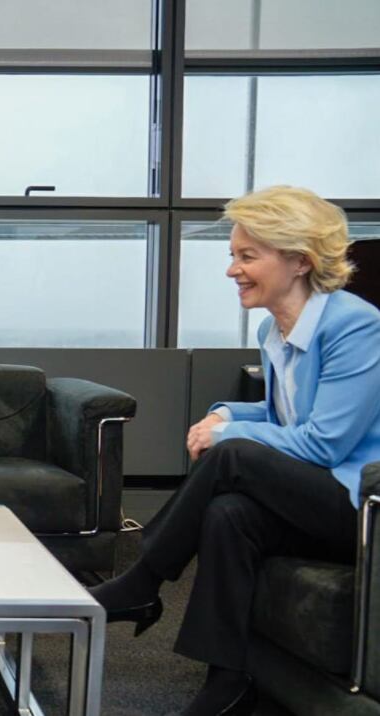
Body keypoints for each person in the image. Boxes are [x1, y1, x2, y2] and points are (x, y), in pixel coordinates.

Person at [92, 186, 380, 715]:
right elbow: (283, 415)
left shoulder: (355, 326)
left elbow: (325, 441)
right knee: (230, 514)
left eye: (248, 256)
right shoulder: (277, 326)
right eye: (233, 255)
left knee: (232, 457)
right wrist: (228, 412)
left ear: (299, 260)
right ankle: (226, 684)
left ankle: (143, 578)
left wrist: (228, 437)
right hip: (315, 495)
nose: (233, 270)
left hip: (358, 508)